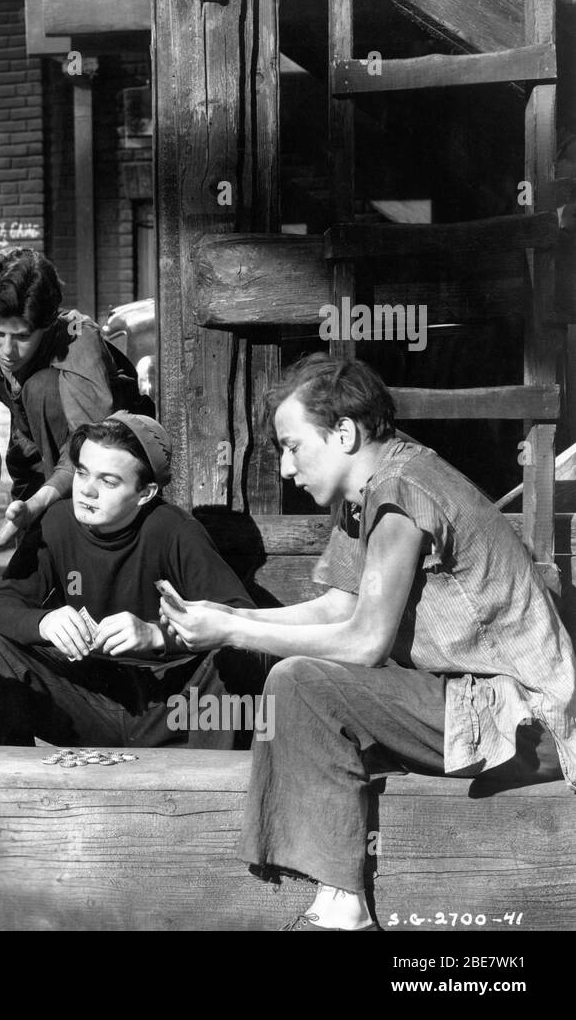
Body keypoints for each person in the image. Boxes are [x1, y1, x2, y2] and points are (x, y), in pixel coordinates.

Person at [159, 354, 576, 931]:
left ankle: (342, 909)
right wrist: (227, 615)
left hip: (528, 722)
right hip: (479, 707)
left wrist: (234, 631)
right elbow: (340, 606)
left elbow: (364, 643)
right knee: (299, 680)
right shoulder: (375, 490)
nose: (285, 469)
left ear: (345, 433)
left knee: (300, 681)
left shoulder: (403, 490)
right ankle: (334, 901)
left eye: (292, 445)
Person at [0, 412, 260, 747]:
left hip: (171, 706)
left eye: (109, 481)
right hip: (87, 700)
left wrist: (155, 635)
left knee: (239, 656)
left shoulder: (174, 530)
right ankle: (10, 784)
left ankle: (208, 787)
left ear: (145, 493)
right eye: (82, 473)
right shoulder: (56, 522)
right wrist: (43, 622)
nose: (87, 490)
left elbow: (240, 619)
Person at [0, 247, 153, 556]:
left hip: (110, 463)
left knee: (41, 388)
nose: (7, 350)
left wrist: (38, 503)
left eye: (22, 337)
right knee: (26, 566)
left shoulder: (77, 340)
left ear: (46, 325)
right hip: (32, 448)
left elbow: (90, 446)